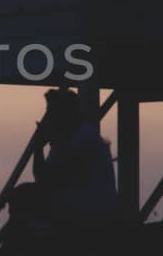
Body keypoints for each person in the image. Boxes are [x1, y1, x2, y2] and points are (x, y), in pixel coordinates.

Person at [31, 88, 117, 243]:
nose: (48, 119)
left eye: (51, 113)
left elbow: (45, 181)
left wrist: (37, 146)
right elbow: (43, 178)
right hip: (81, 218)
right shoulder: (66, 141)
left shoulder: (82, 139)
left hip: (89, 224)